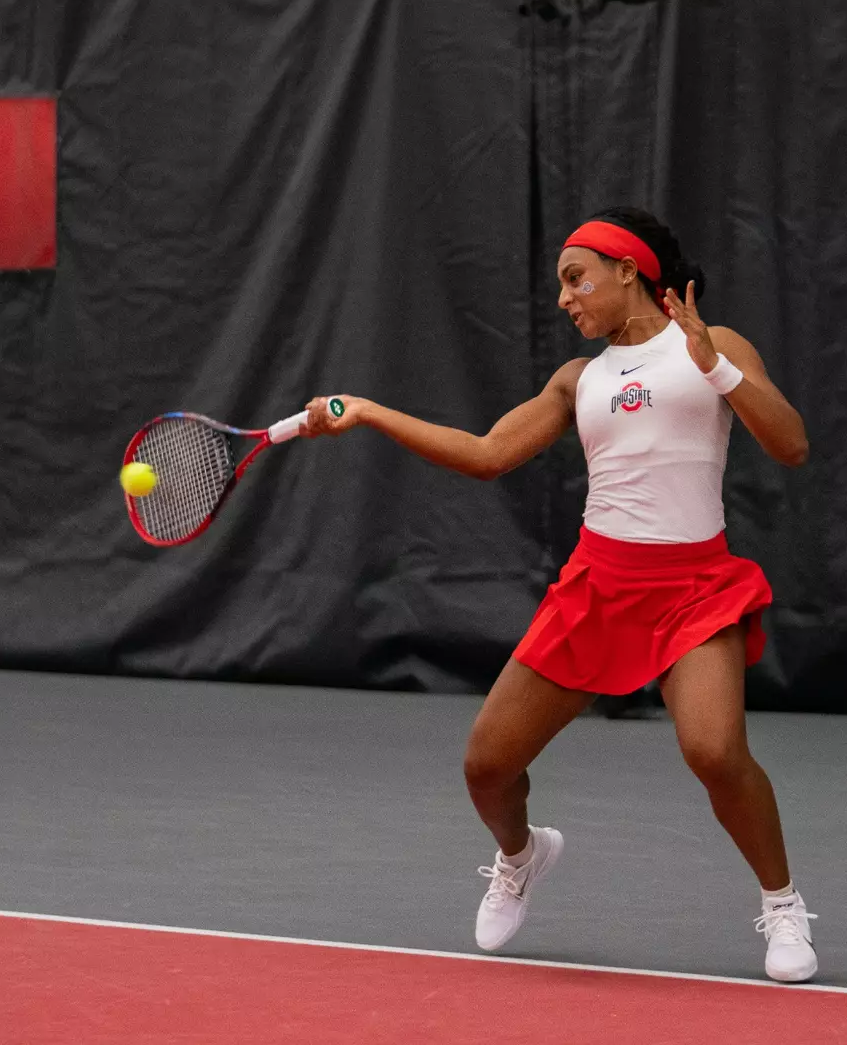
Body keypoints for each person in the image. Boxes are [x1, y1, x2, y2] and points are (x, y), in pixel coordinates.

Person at [301, 206, 817, 982]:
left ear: (628, 272)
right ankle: (521, 854)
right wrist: (370, 413)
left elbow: (793, 444)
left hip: (694, 588)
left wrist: (719, 368)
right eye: (560, 285)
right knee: (486, 767)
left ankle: (782, 906)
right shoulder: (580, 378)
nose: (564, 298)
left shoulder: (713, 347)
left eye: (576, 279)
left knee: (714, 751)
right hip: (598, 588)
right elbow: (485, 455)